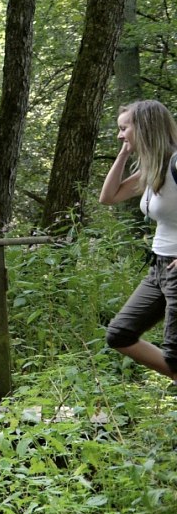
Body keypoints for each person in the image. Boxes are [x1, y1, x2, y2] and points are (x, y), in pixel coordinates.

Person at [100, 100, 177, 384]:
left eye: (124, 128)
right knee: (120, 334)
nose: (120, 135)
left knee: (175, 355)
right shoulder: (151, 169)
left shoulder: (175, 164)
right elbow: (109, 197)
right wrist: (124, 153)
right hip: (159, 268)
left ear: (144, 127)